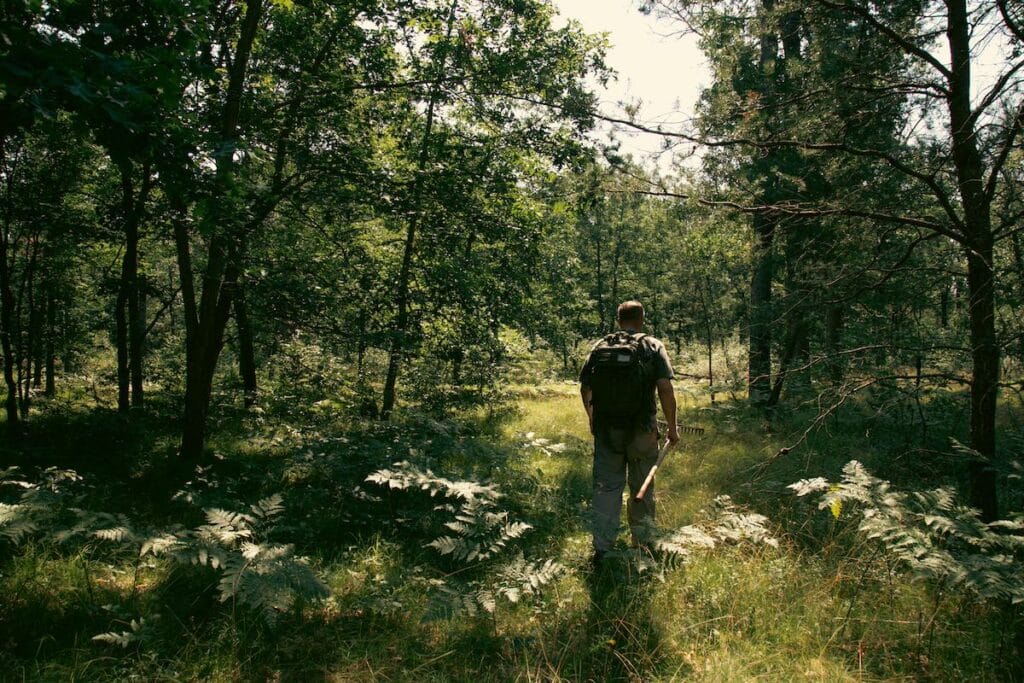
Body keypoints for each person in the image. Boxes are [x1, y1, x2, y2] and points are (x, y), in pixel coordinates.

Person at [579, 300, 678, 565]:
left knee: (606, 488)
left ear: (618, 319)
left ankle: (602, 550)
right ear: (642, 318)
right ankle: (643, 545)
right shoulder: (652, 346)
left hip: (607, 430)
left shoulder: (600, 346)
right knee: (642, 487)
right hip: (642, 430)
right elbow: (665, 388)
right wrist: (671, 428)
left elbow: (585, 387)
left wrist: (593, 419)